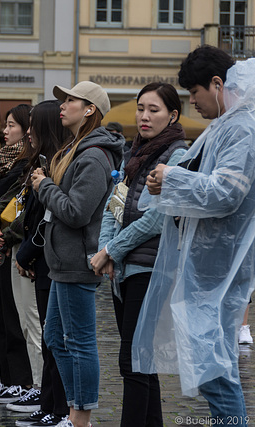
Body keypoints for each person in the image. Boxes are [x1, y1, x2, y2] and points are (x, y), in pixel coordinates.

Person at [134, 48, 255, 426]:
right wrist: (164, 181)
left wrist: (171, 177)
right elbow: (197, 178)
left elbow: (226, 192)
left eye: (194, 93)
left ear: (217, 85)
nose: (192, 102)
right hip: (207, 267)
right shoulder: (224, 125)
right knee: (213, 367)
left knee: (215, 370)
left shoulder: (241, 128)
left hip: (217, 269)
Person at [90, 82, 188, 427]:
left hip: (152, 268)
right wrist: (106, 251)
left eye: (154, 109)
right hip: (124, 268)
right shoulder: (133, 152)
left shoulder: (178, 154)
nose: (144, 116)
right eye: (140, 108)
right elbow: (112, 207)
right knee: (143, 362)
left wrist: (113, 250)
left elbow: (160, 217)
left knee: (132, 360)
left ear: (173, 114)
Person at [31, 81, 123, 427]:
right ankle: (74, 410)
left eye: (71, 100)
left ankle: (80, 417)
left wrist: (44, 187)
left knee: (81, 342)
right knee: (55, 337)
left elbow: (76, 212)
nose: (63, 105)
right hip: (62, 261)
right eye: (64, 100)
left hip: (77, 262)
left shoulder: (94, 155)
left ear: (89, 110)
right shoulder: (77, 149)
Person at [0, 101, 70, 425]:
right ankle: (46, 396)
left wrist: (20, 245)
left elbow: (42, 216)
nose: (25, 132)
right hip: (28, 251)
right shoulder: (37, 162)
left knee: (46, 333)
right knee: (34, 327)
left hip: (43, 257)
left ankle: (46, 393)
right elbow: (9, 202)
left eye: (30, 125)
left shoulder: (56, 164)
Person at [0, 104, 39, 405]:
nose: (6, 131)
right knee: (1, 317)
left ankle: (23, 381)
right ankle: (8, 379)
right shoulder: (3, 162)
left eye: (13, 125)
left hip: (14, 245)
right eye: (6, 125)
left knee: (19, 320)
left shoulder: (26, 164)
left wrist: (1, 229)